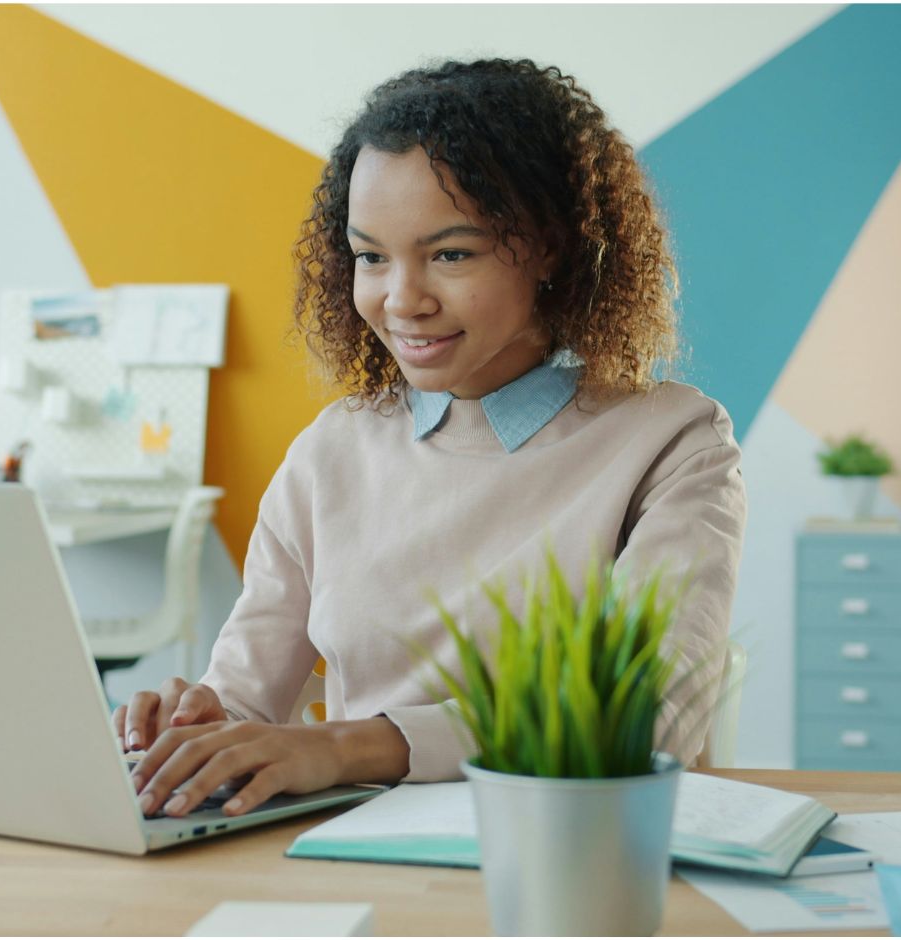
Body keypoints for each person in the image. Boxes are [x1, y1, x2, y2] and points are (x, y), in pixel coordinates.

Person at [112, 58, 746, 820]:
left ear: (550, 247)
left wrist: (346, 748)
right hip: (351, 856)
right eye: (371, 256)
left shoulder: (673, 443)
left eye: (450, 253)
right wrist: (197, 729)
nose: (401, 299)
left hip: (574, 857)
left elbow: (643, 721)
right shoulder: (332, 451)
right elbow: (247, 695)